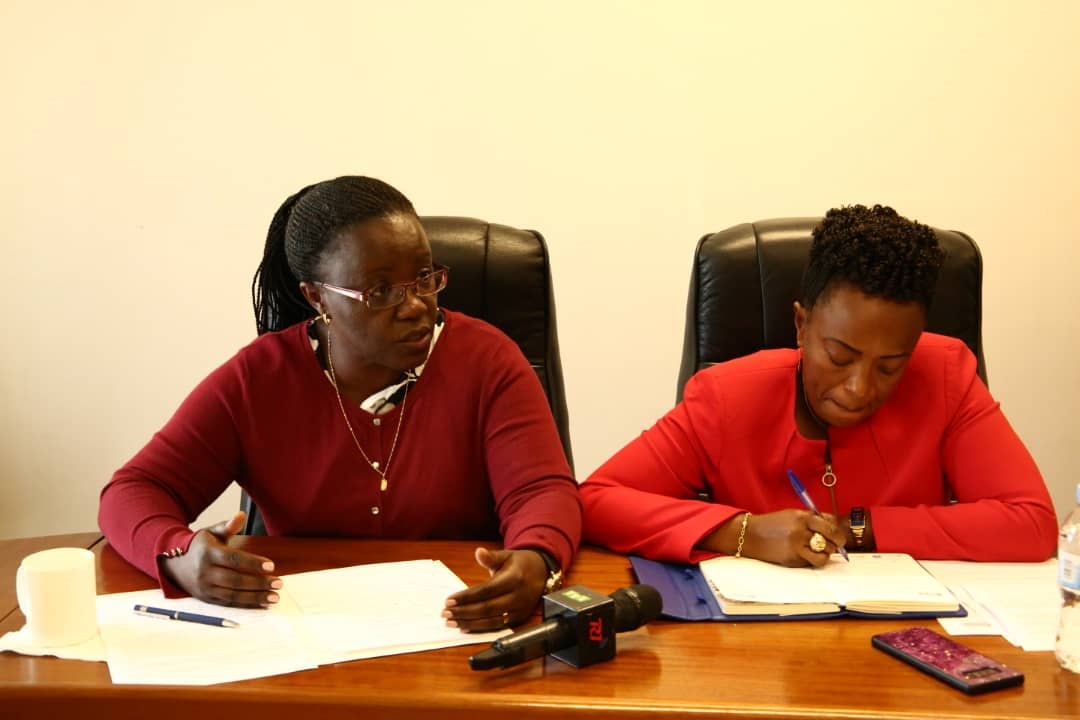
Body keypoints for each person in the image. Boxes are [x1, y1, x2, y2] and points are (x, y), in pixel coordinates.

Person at [99, 175, 581, 631]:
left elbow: (540, 490)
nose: (415, 304)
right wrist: (179, 556)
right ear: (317, 297)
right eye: (382, 291)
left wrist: (537, 558)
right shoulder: (259, 380)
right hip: (304, 630)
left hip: (456, 622)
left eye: (425, 277)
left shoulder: (487, 360)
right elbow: (135, 489)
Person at [581, 204, 1057, 568]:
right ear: (801, 326)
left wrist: (859, 527)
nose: (859, 388)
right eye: (840, 357)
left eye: (891, 366)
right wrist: (743, 533)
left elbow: (1032, 524)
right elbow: (596, 500)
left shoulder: (947, 375)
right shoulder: (727, 396)